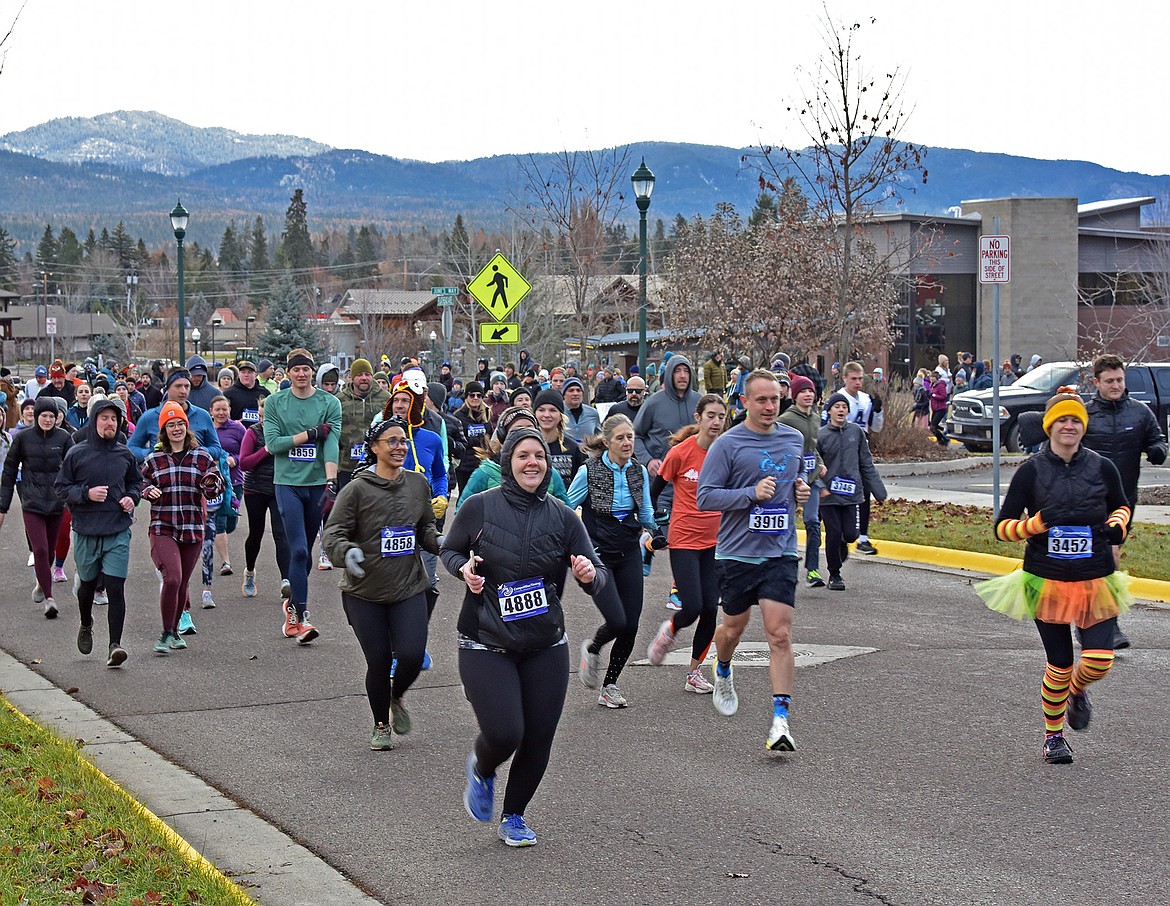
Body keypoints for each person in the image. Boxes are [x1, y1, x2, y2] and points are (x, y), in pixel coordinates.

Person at [441, 428, 615, 846]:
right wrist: (463, 570)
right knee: (505, 732)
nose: (532, 462)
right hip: (485, 639)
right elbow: (449, 549)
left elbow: (598, 572)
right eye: (523, 456)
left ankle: (514, 815)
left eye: (539, 455)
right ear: (509, 463)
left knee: (539, 734)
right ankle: (482, 769)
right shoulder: (479, 507)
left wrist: (590, 577)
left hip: (544, 641)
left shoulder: (561, 515)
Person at [975, 387, 1134, 765]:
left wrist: (1117, 526)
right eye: (1061, 420)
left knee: (1098, 660)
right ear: (1049, 426)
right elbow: (1002, 528)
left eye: (1075, 420)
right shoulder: (1030, 471)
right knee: (1060, 664)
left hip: (1095, 577)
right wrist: (1037, 523)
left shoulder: (1101, 466)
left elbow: (1122, 506)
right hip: (1046, 580)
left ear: (1083, 427)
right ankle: (1053, 736)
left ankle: (1078, 692)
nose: (1068, 426)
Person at [696, 369, 810, 751]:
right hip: (736, 554)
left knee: (779, 633)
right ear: (744, 402)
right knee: (733, 628)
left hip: (779, 551)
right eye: (761, 400)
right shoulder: (727, 445)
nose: (769, 406)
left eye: (775, 399)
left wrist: (803, 491)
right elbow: (706, 497)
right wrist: (750, 494)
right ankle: (723, 667)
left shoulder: (794, 438)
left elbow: (798, 482)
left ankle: (781, 721)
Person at [323, 416, 439, 751]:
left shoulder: (418, 484)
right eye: (392, 441)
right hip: (364, 593)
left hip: (408, 586)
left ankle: (397, 694)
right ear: (374, 447)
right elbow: (333, 534)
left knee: (413, 655)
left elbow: (425, 528)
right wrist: (347, 552)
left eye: (403, 440)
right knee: (377, 660)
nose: (400, 446)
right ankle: (381, 724)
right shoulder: (357, 489)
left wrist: (440, 541)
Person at [570, 414, 664, 708]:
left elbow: (646, 511)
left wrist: (658, 532)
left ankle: (610, 685)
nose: (626, 443)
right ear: (607, 441)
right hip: (598, 554)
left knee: (632, 624)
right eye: (621, 438)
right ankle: (594, 648)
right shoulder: (589, 471)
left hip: (628, 551)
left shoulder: (637, 471)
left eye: (630, 437)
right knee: (617, 619)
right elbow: (565, 509)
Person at [1081, 353, 1168, 650]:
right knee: (1108, 558)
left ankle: (1090, 620)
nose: (1116, 385)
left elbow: (1157, 439)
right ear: (1097, 382)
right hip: (1088, 500)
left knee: (1098, 563)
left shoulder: (1139, 413)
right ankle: (1108, 626)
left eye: (1119, 379)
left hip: (1123, 500)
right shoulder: (1085, 413)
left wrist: (1157, 450)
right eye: (1110, 381)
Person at [645, 393, 727, 693]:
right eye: (711, 415)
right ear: (698, 417)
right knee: (691, 606)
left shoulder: (725, 453)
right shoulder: (680, 453)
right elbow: (653, 493)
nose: (716, 421)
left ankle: (694, 673)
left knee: (710, 610)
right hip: (684, 540)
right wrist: (655, 526)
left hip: (715, 542)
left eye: (721, 416)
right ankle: (670, 630)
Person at [263, 348, 342, 644]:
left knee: (305, 554)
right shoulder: (275, 402)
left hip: (318, 484)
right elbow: (273, 444)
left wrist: (331, 480)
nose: (301, 374)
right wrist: (309, 435)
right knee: (297, 550)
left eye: (306, 369)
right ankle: (302, 617)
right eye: (295, 369)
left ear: (312, 371)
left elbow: (331, 442)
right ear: (288, 372)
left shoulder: (329, 402)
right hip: (287, 484)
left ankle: (293, 604)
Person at [54, 398, 142, 668]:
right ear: (94, 422)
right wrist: (86, 494)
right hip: (86, 530)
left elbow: (135, 483)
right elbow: (61, 489)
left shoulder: (124, 454)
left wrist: (131, 497)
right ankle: (85, 622)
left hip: (117, 529)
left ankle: (115, 645)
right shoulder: (77, 453)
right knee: (87, 587)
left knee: (115, 587)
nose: (110, 423)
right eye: (104, 418)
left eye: (114, 419)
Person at [140, 402, 225, 654]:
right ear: (163, 431)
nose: (176, 429)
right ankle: (166, 633)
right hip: (162, 527)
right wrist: (147, 490)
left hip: (192, 527)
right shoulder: (154, 459)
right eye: (170, 425)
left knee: (183, 582)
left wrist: (211, 483)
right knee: (173, 577)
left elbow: (215, 487)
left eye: (180, 424)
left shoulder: (201, 456)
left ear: (186, 428)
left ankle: (175, 631)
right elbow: (139, 483)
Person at [0, 396, 74, 618]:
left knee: (49, 551)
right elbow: (10, 471)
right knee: (39, 549)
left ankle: (42, 582)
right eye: (44, 416)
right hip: (31, 501)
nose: (48, 420)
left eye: (52, 416)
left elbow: (75, 467)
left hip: (56, 502)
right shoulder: (23, 438)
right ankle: (50, 599)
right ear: (35, 417)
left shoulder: (64, 438)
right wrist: (2, 507)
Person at [817, 392, 888, 590]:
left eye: (844, 407)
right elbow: (814, 465)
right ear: (829, 410)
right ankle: (835, 574)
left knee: (850, 534)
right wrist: (821, 487)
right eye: (837, 406)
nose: (841, 410)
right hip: (828, 495)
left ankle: (842, 542)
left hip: (851, 494)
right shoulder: (821, 436)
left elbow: (866, 463)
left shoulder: (856, 432)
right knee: (833, 531)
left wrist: (878, 491)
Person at [455, 406, 571, 511]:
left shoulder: (550, 475)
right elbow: (462, 515)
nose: (525, 434)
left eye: (530, 429)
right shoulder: (485, 474)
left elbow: (568, 517)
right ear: (502, 436)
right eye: (517, 429)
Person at [238, 394, 291, 600]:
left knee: (281, 534)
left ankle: (286, 580)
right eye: (260, 416)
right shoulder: (253, 433)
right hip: (255, 489)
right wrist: (267, 450)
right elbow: (244, 463)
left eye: (267, 417)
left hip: (279, 487)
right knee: (256, 533)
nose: (263, 421)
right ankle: (250, 571)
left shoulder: (285, 432)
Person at [634, 354, 700, 516]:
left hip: (693, 483)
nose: (683, 375)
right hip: (661, 482)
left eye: (686, 371)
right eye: (677, 371)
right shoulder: (653, 403)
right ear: (669, 374)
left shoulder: (700, 403)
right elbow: (635, 435)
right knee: (664, 532)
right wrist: (648, 460)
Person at [778, 375, 827, 587]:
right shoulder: (787, 419)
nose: (808, 395)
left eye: (811, 391)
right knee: (786, 522)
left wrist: (820, 463)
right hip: (791, 478)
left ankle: (813, 570)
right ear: (795, 395)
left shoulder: (816, 418)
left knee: (813, 522)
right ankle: (782, 563)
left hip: (812, 478)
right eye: (803, 391)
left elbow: (813, 447)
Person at [834, 361, 884, 555]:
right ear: (845, 378)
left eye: (860, 379)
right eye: (853, 379)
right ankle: (841, 534)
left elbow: (876, 427)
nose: (857, 382)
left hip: (861, 449)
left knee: (865, 492)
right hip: (842, 449)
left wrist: (878, 411)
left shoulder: (865, 399)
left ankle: (863, 538)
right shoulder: (839, 398)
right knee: (843, 492)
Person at [128, 370, 223, 465]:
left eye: (187, 386)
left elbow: (217, 449)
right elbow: (131, 448)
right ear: (168, 388)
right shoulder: (150, 417)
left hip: (195, 475)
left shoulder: (203, 415)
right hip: (162, 475)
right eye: (178, 386)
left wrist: (199, 451)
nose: (183, 391)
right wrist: (151, 454)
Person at [336, 357, 390, 491]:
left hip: (377, 465)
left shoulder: (386, 399)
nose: (364, 378)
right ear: (352, 377)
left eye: (367, 374)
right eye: (359, 375)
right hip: (346, 466)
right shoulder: (339, 400)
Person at [209, 395, 245, 583]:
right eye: (217, 409)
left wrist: (235, 460)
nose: (221, 413)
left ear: (229, 410)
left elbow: (247, 451)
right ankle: (226, 562)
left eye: (224, 409)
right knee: (219, 521)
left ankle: (222, 537)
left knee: (230, 522)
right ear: (211, 412)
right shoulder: (207, 429)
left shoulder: (237, 429)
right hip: (213, 484)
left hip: (235, 482)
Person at [532, 388, 585, 485]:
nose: (546, 415)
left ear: (560, 415)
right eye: (541, 410)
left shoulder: (572, 448)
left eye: (553, 410)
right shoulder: (528, 445)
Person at [453, 381, 492, 492]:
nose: (475, 398)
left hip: (482, 464)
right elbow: (459, 441)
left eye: (479, 395)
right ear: (466, 397)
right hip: (464, 467)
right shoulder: (458, 416)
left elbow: (491, 437)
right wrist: (477, 440)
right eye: (472, 395)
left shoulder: (487, 414)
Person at [224, 360, 269, 430]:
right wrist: (232, 423)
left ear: (256, 375)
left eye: (249, 372)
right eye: (243, 372)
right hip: (236, 432)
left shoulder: (265, 393)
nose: (246, 375)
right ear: (239, 374)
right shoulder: (229, 394)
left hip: (261, 434)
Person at [560, 378, 600, 443]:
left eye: (578, 390)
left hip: (588, 452)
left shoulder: (593, 413)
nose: (575, 393)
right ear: (564, 394)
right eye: (571, 390)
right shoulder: (558, 412)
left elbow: (598, 436)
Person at [929, 369, 949, 447]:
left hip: (940, 408)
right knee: (933, 426)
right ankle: (942, 439)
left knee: (933, 427)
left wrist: (934, 395)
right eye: (931, 377)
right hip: (935, 408)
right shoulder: (933, 385)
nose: (931, 378)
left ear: (937, 378)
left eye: (933, 377)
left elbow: (944, 396)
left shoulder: (940, 385)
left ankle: (943, 439)